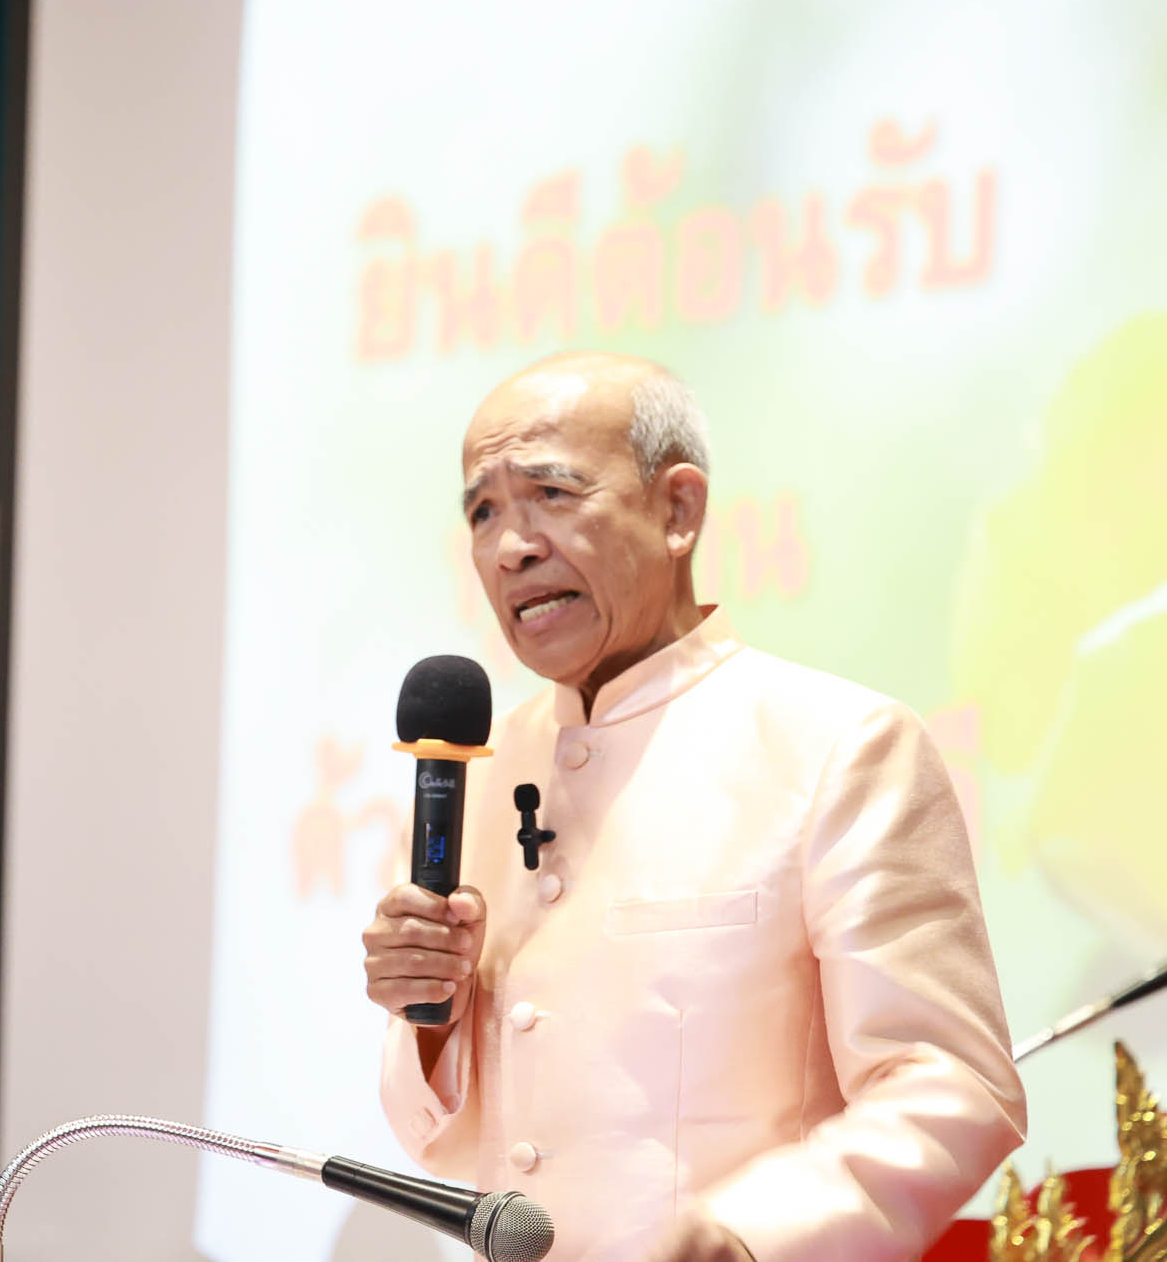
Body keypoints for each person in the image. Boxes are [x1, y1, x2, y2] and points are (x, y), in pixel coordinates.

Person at [361, 352, 1026, 1262]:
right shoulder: (473, 769)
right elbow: (436, 1135)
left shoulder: (839, 744)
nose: (511, 545)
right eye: (483, 511)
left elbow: (951, 1082)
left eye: (551, 493)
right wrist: (428, 1019)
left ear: (677, 510)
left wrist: (758, 1234)